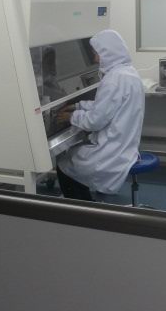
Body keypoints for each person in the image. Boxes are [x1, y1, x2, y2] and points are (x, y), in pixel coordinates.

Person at [55, 29, 145, 201]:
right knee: (75, 158)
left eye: (97, 54)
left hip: (111, 153)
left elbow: (95, 121)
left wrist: (71, 117)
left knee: (65, 164)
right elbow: (106, 106)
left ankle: (80, 210)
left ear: (108, 52)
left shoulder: (113, 80)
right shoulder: (129, 73)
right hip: (126, 148)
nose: (96, 59)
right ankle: (86, 202)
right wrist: (77, 105)